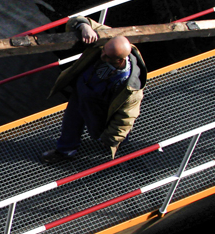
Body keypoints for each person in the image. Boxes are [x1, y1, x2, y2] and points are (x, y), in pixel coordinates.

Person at [40, 16, 147, 163]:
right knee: (71, 122)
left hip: (100, 104)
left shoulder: (130, 88)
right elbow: (75, 21)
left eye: (107, 56)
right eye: (103, 51)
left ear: (119, 61)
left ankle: (119, 145)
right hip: (81, 92)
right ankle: (66, 151)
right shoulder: (109, 40)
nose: (101, 55)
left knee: (106, 130)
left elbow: (125, 118)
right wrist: (84, 26)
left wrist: (111, 139)